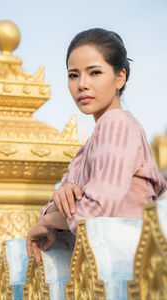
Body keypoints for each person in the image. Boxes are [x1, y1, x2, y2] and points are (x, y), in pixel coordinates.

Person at [26, 28, 167, 262]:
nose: (82, 84)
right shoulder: (94, 140)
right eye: (73, 75)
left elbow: (94, 213)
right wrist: (60, 201)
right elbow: (55, 202)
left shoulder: (116, 124)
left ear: (119, 77)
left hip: (129, 267)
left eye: (94, 73)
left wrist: (48, 221)